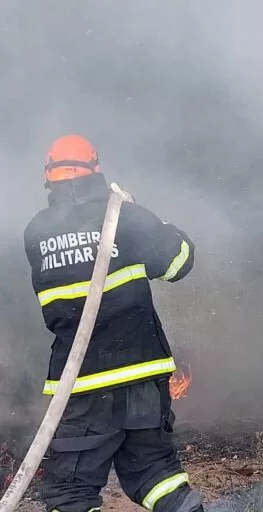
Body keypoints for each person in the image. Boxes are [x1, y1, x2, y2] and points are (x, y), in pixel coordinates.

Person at [23, 134, 203, 512]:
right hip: (142, 377)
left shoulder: (36, 233)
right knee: (156, 474)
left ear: (48, 178)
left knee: (71, 490)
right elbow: (179, 263)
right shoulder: (125, 216)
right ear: (97, 171)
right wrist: (153, 221)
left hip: (83, 384)